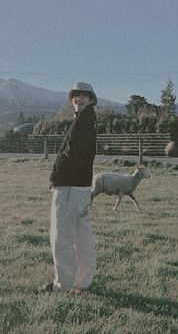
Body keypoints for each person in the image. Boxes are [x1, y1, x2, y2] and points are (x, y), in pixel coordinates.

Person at [39, 82, 97, 294]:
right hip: (81, 188)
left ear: (91, 99)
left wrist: (55, 176)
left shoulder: (83, 121)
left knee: (61, 237)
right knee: (83, 237)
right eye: (75, 95)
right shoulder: (88, 119)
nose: (78, 99)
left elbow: (71, 154)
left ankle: (62, 286)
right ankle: (84, 281)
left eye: (83, 96)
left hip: (70, 187)